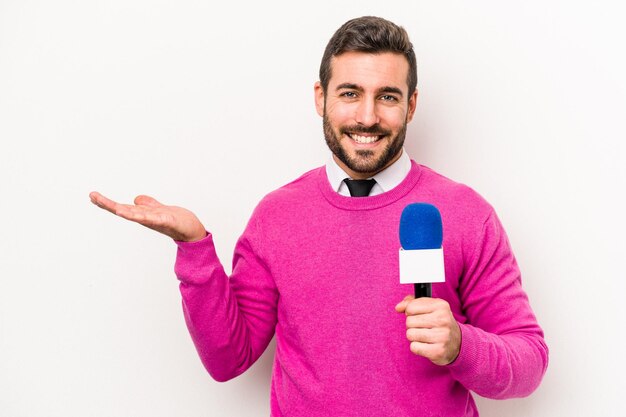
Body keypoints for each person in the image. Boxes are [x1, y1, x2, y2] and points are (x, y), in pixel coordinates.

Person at [90, 16, 548, 417]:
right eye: (350, 93)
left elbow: (529, 361)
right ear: (320, 97)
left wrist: (460, 346)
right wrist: (193, 249)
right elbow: (228, 358)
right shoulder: (277, 216)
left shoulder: (466, 214)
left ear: (410, 105)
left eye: (387, 97)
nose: (366, 117)